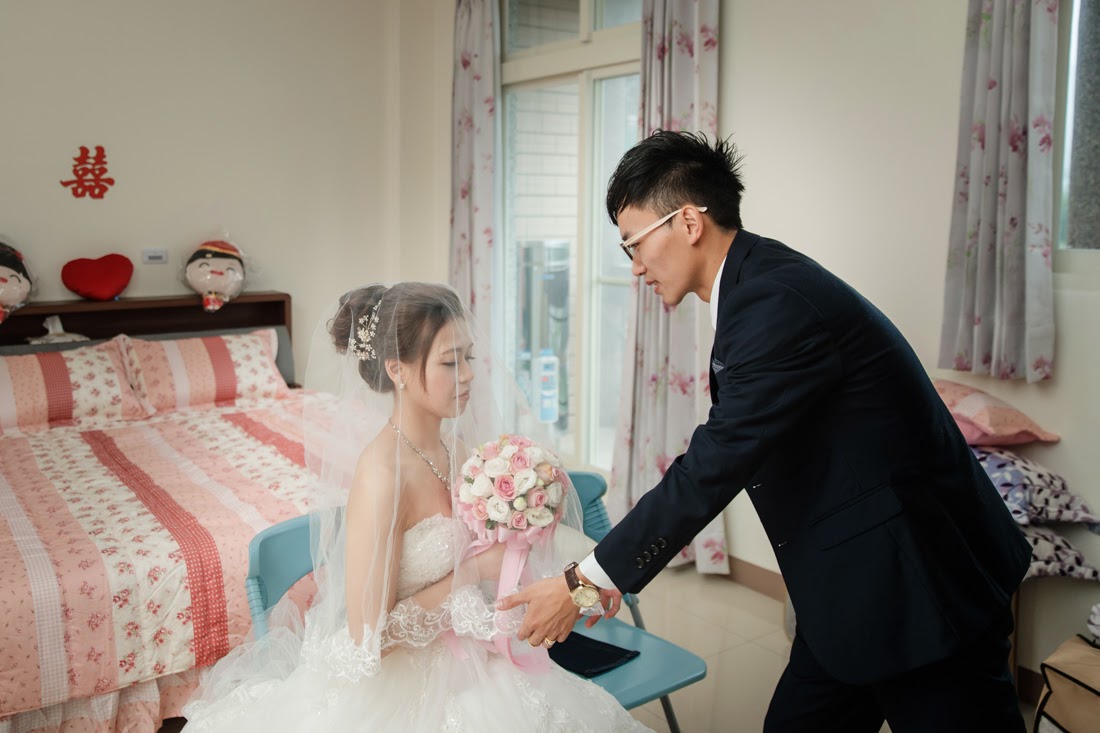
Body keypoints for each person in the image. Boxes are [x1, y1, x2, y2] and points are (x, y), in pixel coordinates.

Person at [498, 131, 1033, 732]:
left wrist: (584, 583)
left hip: (921, 592)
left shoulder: (773, 303)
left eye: (634, 243)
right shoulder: (757, 283)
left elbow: (715, 463)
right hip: (852, 591)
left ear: (689, 222)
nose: (636, 267)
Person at [182, 282, 651, 732]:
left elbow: (505, 554)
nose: (468, 375)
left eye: (469, 357)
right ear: (397, 370)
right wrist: (476, 570)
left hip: (480, 654)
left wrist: (586, 582)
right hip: (403, 683)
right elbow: (369, 639)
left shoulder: (460, 451)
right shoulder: (382, 475)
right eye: (450, 362)